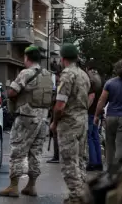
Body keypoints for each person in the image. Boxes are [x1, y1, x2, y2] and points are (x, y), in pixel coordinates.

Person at [0, 46, 53, 197]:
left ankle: (13, 186)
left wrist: (10, 95)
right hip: (43, 119)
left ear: (26, 57)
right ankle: (31, 185)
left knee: (17, 151)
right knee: (35, 152)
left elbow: (12, 92)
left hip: (26, 118)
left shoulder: (25, 73)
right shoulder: (47, 75)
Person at [50, 43, 90, 204]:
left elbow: (60, 105)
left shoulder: (67, 75)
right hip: (82, 120)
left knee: (68, 162)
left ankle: (76, 197)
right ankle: (82, 192)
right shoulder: (83, 75)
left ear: (63, 58)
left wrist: (54, 122)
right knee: (80, 160)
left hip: (69, 123)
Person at [94, 60, 122, 172]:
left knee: (109, 144)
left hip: (110, 117)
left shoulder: (109, 83)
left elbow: (102, 100)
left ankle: (110, 170)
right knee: (120, 144)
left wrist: (96, 115)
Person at [84, 60, 103, 171]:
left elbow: (91, 97)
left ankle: (92, 162)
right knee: (95, 137)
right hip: (97, 113)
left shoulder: (89, 79)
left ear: (87, 68)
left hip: (90, 112)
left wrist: (84, 108)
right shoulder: (99, 79)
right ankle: (99, 162)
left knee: (89, 137)